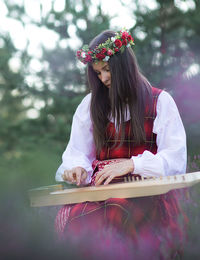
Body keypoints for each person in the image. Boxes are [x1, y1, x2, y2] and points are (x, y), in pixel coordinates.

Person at [55, 29, 187, 259]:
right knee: (80, 218)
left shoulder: (160, 102)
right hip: (102, 195)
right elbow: (77, 153)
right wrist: (76, 169)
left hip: (148, 196)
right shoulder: (90, 105)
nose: (103, 79)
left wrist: (132, 165)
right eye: (97, 73)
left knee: (117, 210)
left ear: (124, 66)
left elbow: (176, 161)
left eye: (107, 70)